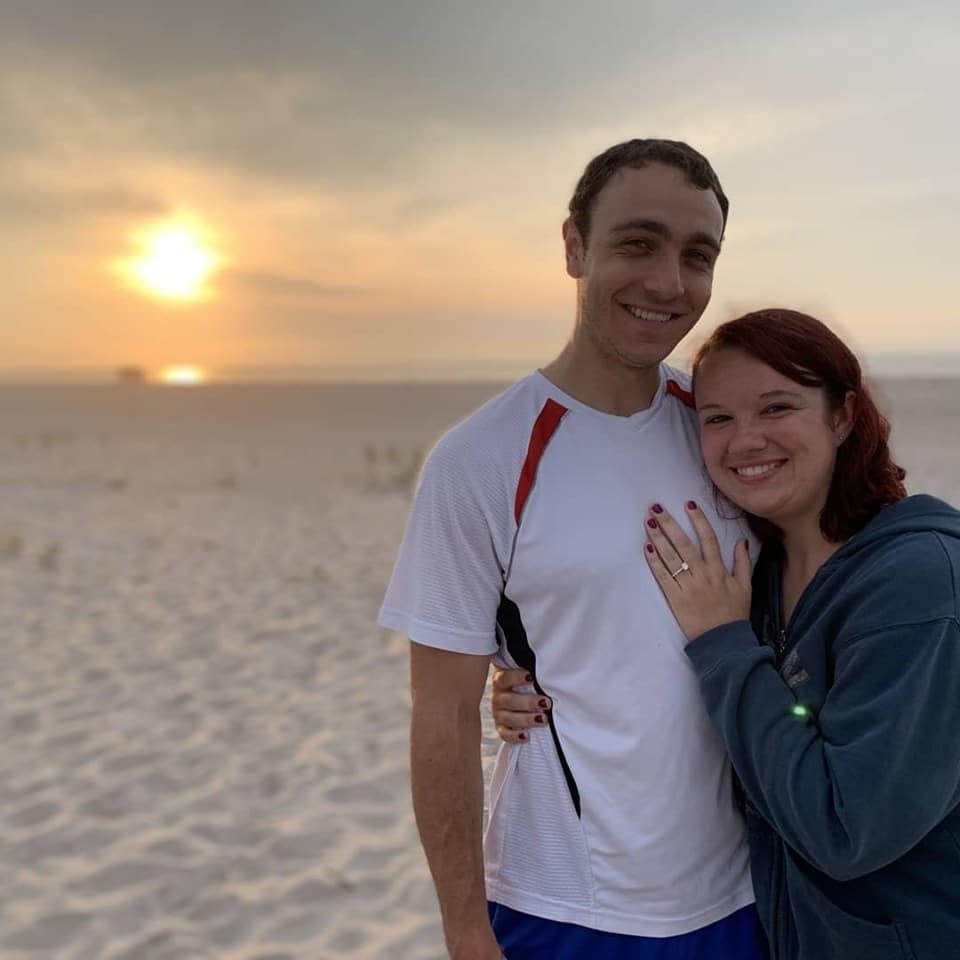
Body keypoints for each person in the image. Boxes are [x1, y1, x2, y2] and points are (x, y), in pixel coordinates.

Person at [378, 139, 768, 959]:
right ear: (573, 247)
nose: (669, 282)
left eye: (698, 256)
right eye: (638, 243)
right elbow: (441, 713)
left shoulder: (728, 431)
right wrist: (463, 929)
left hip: (749, 893)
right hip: (564, 907)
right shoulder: (483, 457)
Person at [492, 308, 960, 959]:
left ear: (843, 416)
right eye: (717, 418)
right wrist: (540, 694)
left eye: (776, 408)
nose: (744, 441)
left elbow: (845, 830)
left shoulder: (918, 583)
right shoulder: (759, 570)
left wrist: (726, 643)